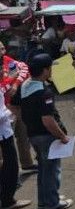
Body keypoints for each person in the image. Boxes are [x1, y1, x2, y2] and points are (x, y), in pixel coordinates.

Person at [10, 54, 73, 209]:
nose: (52, 70)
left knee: (43, 170)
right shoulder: (44, 92)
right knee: (51, 170)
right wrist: (62, 136)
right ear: (45, 70)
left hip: (33, 135)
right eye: (51, 67)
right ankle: (52, 204)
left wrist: (28, 115)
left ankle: (44, 201)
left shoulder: (25, 85)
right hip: (46, 136)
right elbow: (48, 120)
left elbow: (13, 103)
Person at [0, 41, 35, 179]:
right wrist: (11, 80)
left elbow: (23, 68)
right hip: (4, 111)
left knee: (23, 134)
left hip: (13, 106)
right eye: (0, 49)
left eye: (3, 48)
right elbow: (2, 89)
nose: (3, 52)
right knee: (5, 148)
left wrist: (14, 84)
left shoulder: (7, 61)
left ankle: (26, 163)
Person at [0, 75, 32, 209]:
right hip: (3, 133)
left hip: (4, 132)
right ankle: (7, 200)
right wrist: (10, 112)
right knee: (11, 166)